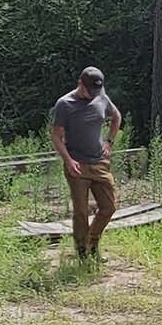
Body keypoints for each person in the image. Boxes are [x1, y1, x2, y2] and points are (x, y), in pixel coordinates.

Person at [50, 66, 121, 260]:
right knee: (81, 211)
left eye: (97, 90)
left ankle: (93, 240)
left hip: (100, 163)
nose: (93, 95)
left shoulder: (102, 97)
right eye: (90, 90)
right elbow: (56, 135)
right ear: (80, 84)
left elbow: (116, 116)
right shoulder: (65, 104)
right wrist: (68, 159)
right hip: (77, 165)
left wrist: (109, 142)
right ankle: (83, 253)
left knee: (109, 207)